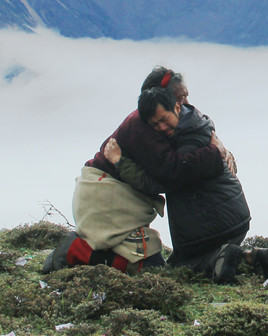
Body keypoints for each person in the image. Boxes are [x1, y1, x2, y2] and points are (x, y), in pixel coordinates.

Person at [43, 67, 230, 275]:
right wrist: (215, 153)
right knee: (149, 268)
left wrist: (219, 146)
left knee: (151, 263)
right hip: (105, 196)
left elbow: (188, 146)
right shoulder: (142, 129)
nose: (185, 104)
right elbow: (172, 171)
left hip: (112, 197)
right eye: (179, 98)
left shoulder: (158, 124)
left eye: (185, 97)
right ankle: (75, 251)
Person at [106, 86, 258, 282]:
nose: (161, 127)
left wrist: (120, 162)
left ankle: (225, 255)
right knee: (198, 263)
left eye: (164, 119)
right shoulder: (196, 123)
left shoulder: (185, 143)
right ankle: (252, 258)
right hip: (232, 217)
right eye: (155, 124)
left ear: (177, 107)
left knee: (181, 270)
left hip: (215, 225)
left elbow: (163, 181)